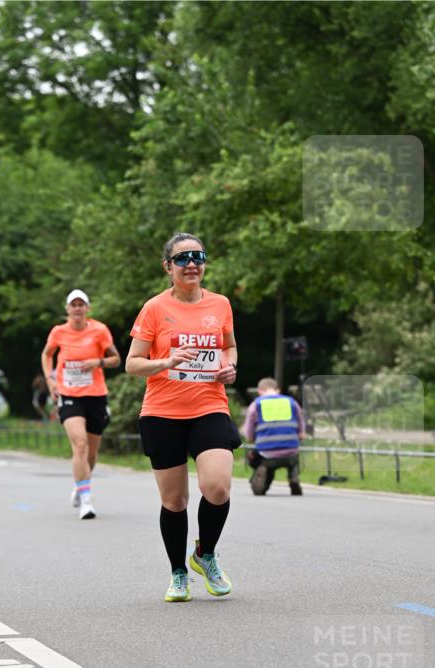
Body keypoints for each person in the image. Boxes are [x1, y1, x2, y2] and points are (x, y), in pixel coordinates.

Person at [125, 232, 239, 602]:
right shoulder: (155, 308)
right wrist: (165, 362)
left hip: (209, 405)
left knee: (218, 487)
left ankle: (205, 555)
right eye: (183, 258)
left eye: (198, 256)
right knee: (175, 502)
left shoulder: (220, 304)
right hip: (163, 412)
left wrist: (230, 366)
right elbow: (132, 364)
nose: (192, 263)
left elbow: (229, 346)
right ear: (168, 267)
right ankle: (178, 573)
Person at [41, 289, 121, 519]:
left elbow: (116, 359)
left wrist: (99, 361)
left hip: (96, 395)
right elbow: (46, 355)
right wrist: (50, 379)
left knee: (91, 453)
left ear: (88, 308)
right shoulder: (58, 332)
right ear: (67, 309)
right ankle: (86, 499)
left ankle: (80, 484)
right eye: (73, 304)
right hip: (69, 395)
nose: (77, 308)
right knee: (79, 444)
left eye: (81, 304)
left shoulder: (99, 330)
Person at [243, 378, 304, 496]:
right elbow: (301, 425)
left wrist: (251, 438)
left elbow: (248, 433)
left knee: (254, 456)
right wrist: (300, 435)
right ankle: (293, 477)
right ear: (278, 390)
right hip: (291, 451)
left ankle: (262, 472)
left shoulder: (256, 404)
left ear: (260, 391)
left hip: (267, 453)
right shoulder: (291, 402)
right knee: (294, 460)